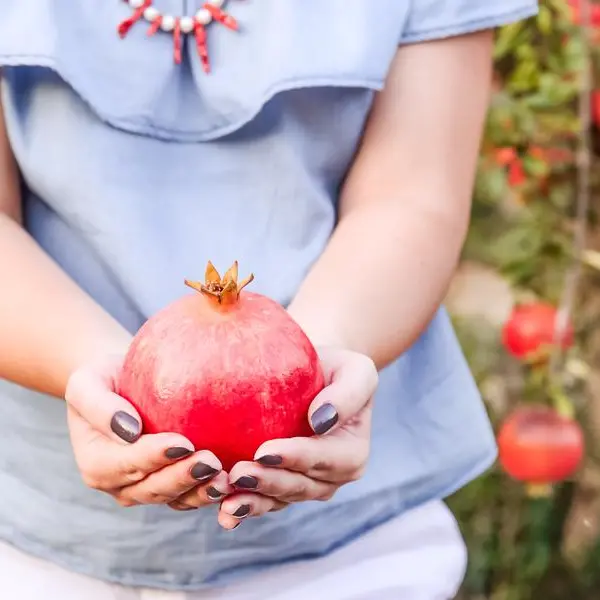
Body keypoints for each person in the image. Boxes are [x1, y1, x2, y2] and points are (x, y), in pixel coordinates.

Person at [0, 1, 538, 598]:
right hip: (31, 534)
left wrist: (314, 369)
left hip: (353, 556)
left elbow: (412, 196)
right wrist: (108, 378)